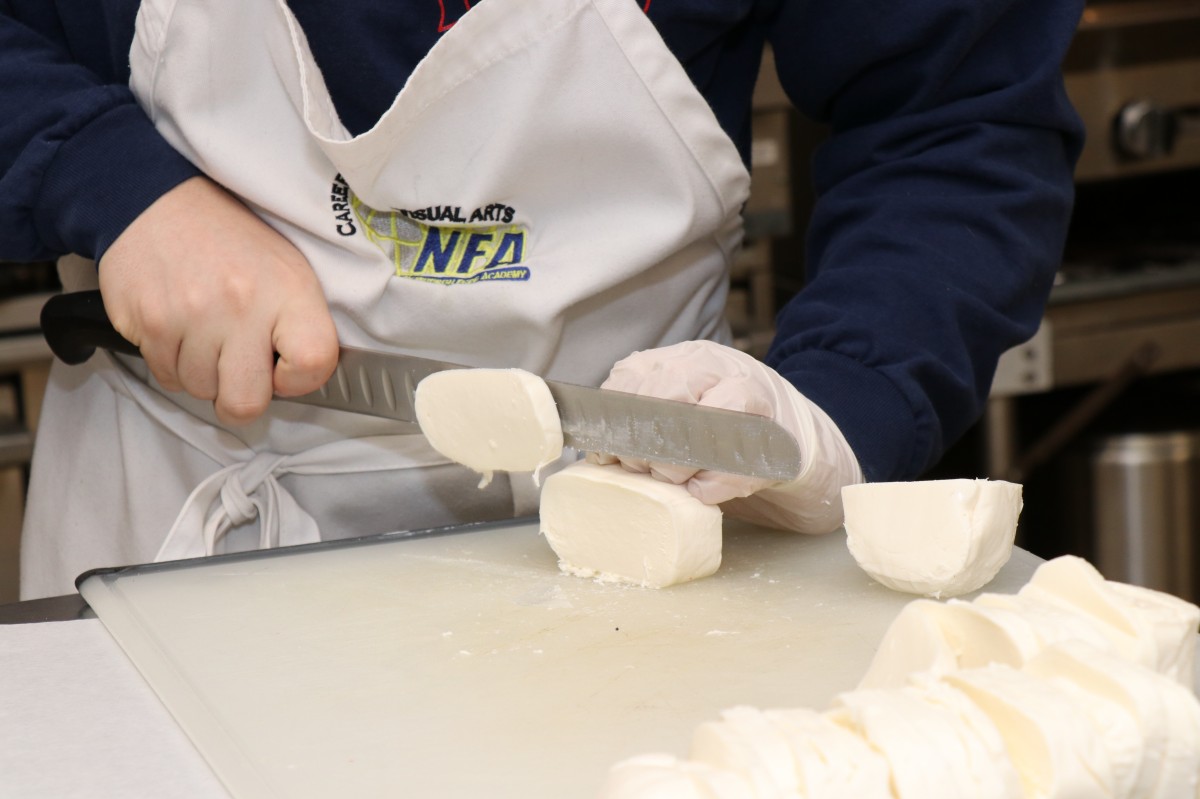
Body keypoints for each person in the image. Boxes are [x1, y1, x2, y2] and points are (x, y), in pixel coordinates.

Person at [0, 0, 1084, 600]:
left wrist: (842, 399)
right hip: (175, 522)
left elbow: (957, 120)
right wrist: (107, 179)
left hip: (650, 511)